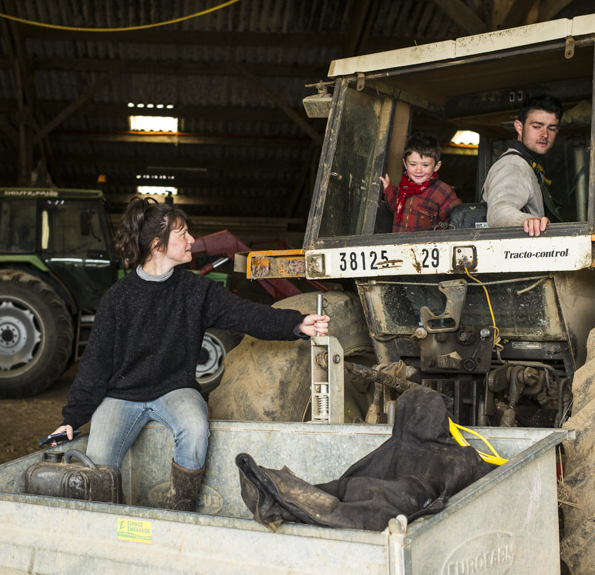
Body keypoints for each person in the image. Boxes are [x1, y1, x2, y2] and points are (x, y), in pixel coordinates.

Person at [45, 197, 329, 511]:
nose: (192, 239)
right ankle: (113, 524)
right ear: (157, 245)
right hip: (121, 396)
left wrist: (296, 323)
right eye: (182, 234)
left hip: (175, 388)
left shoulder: (196, 291)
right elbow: (95, 364)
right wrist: (71, 419)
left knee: (195, 428)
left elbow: (245, 314)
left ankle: (179, 510)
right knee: (97, 460)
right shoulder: (118, 298)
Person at [481, 94, 564, 237]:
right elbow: (498, 212)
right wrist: (529, 221)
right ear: (519, 127)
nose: (544, 134)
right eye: (537, 126)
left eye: (551, 128)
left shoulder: (530, 165)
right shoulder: (513, 165)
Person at [380, 134, 462, 232]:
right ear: (405, 164)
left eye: (425, 165)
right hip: (399, 245)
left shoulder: (442, 191)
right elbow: (395, 208)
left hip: (428, 246)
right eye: (413, 164)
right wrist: (388, 188)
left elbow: (458, 219)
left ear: (436, 166)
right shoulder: (404, 188)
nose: (418, 170)